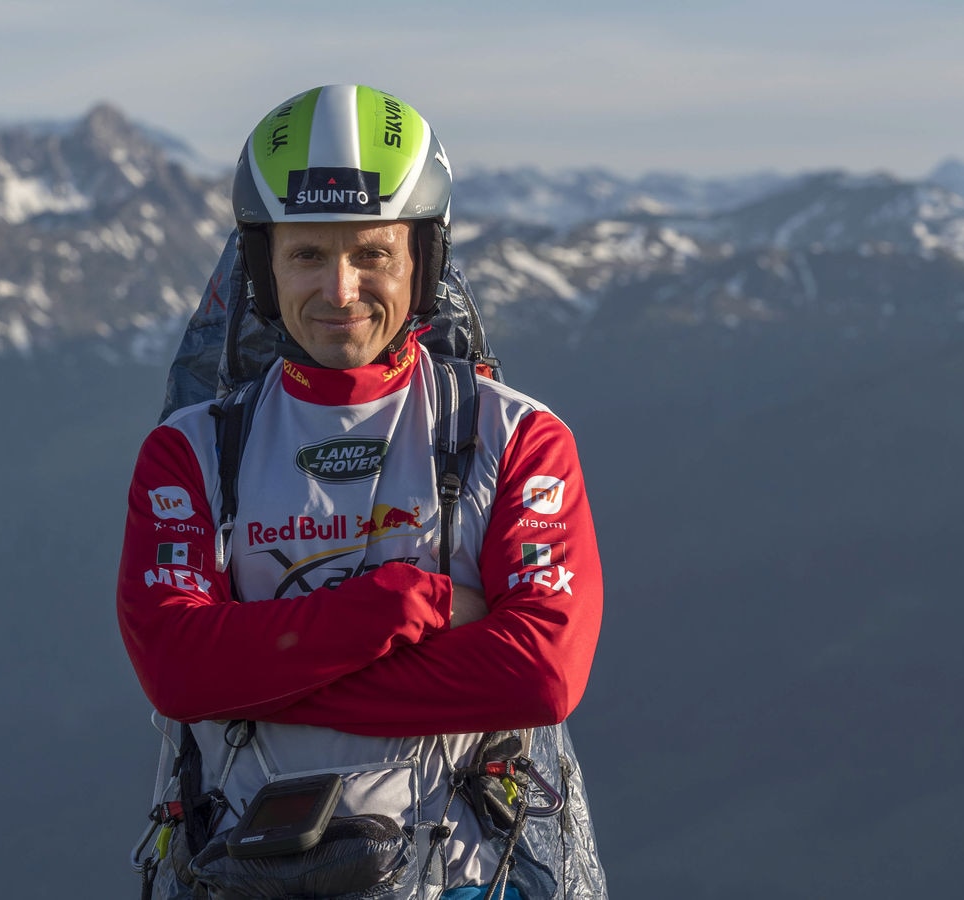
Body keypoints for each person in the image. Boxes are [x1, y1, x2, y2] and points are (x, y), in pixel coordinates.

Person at [117, 83, 606, 899]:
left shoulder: (517, 438)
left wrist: (254, 680)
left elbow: (541, 674)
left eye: (371, 254)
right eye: (307, 254)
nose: (339, 291)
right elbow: (174, 668)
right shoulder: (188, 451)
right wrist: (405, 606)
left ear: (424, 260)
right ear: (263, 271)